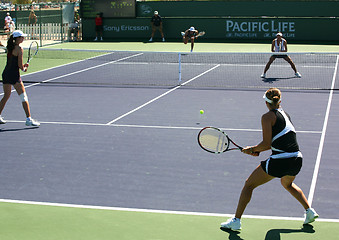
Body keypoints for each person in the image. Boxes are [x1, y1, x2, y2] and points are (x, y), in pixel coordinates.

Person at [220, 88, 318, 231]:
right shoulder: (286, 114)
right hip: (296, 159)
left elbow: (266, 144)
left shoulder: (267, 117)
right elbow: (278, 142)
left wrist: (252, 149)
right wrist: (256, 151)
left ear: (266, 103)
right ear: (279, 101)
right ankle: (309, 211)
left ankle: (236, 221)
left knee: (249, 185)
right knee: (287, 184)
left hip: (281, 160)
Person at [0, 30, 40, 126]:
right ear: (17, 38)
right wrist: (25, 67)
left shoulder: (10, 47)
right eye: (22, 37)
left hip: (6, 74)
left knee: (6, 96)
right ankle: (28, 119)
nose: (23, 38)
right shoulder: (19, 49)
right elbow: (20, 66)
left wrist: (22, 66)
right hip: (14, 76)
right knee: (24, 97)